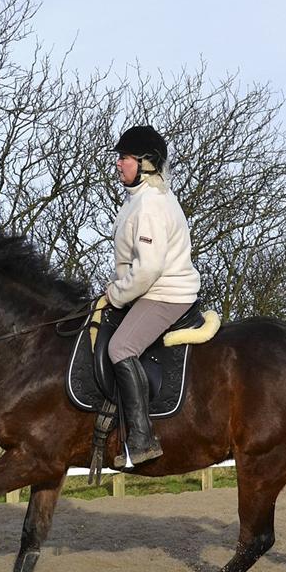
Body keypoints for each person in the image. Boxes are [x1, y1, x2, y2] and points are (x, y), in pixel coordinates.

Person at [104, 125, 201, 468]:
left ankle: (142, 438)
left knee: (120, 348)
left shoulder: (150, 204)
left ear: (146, 163)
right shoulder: (139, 199)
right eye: (120, 157)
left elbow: (147, 270)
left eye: (125, 158)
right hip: (149, 290)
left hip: (164, 293)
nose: (118, 164)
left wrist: (115, 294)